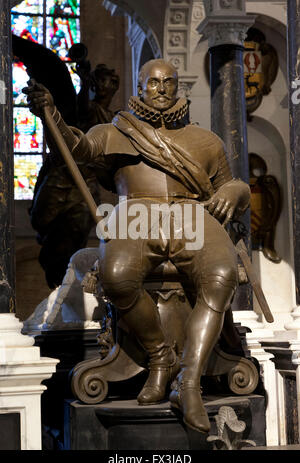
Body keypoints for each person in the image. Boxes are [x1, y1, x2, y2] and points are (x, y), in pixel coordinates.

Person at [23, 59, 250, 434]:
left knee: (221, 273)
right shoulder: (116, 132)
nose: (161, 89)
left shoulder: (206, 140)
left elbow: (232, 183)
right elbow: (77, 148)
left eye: (168, 83)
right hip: (136, 213)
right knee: (116, 275)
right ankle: (160, 357)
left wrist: (233, 190)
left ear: (178, 87)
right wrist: (51, 114)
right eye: (153, 83)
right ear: (140, 86)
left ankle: (188, 381)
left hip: (192, 212)